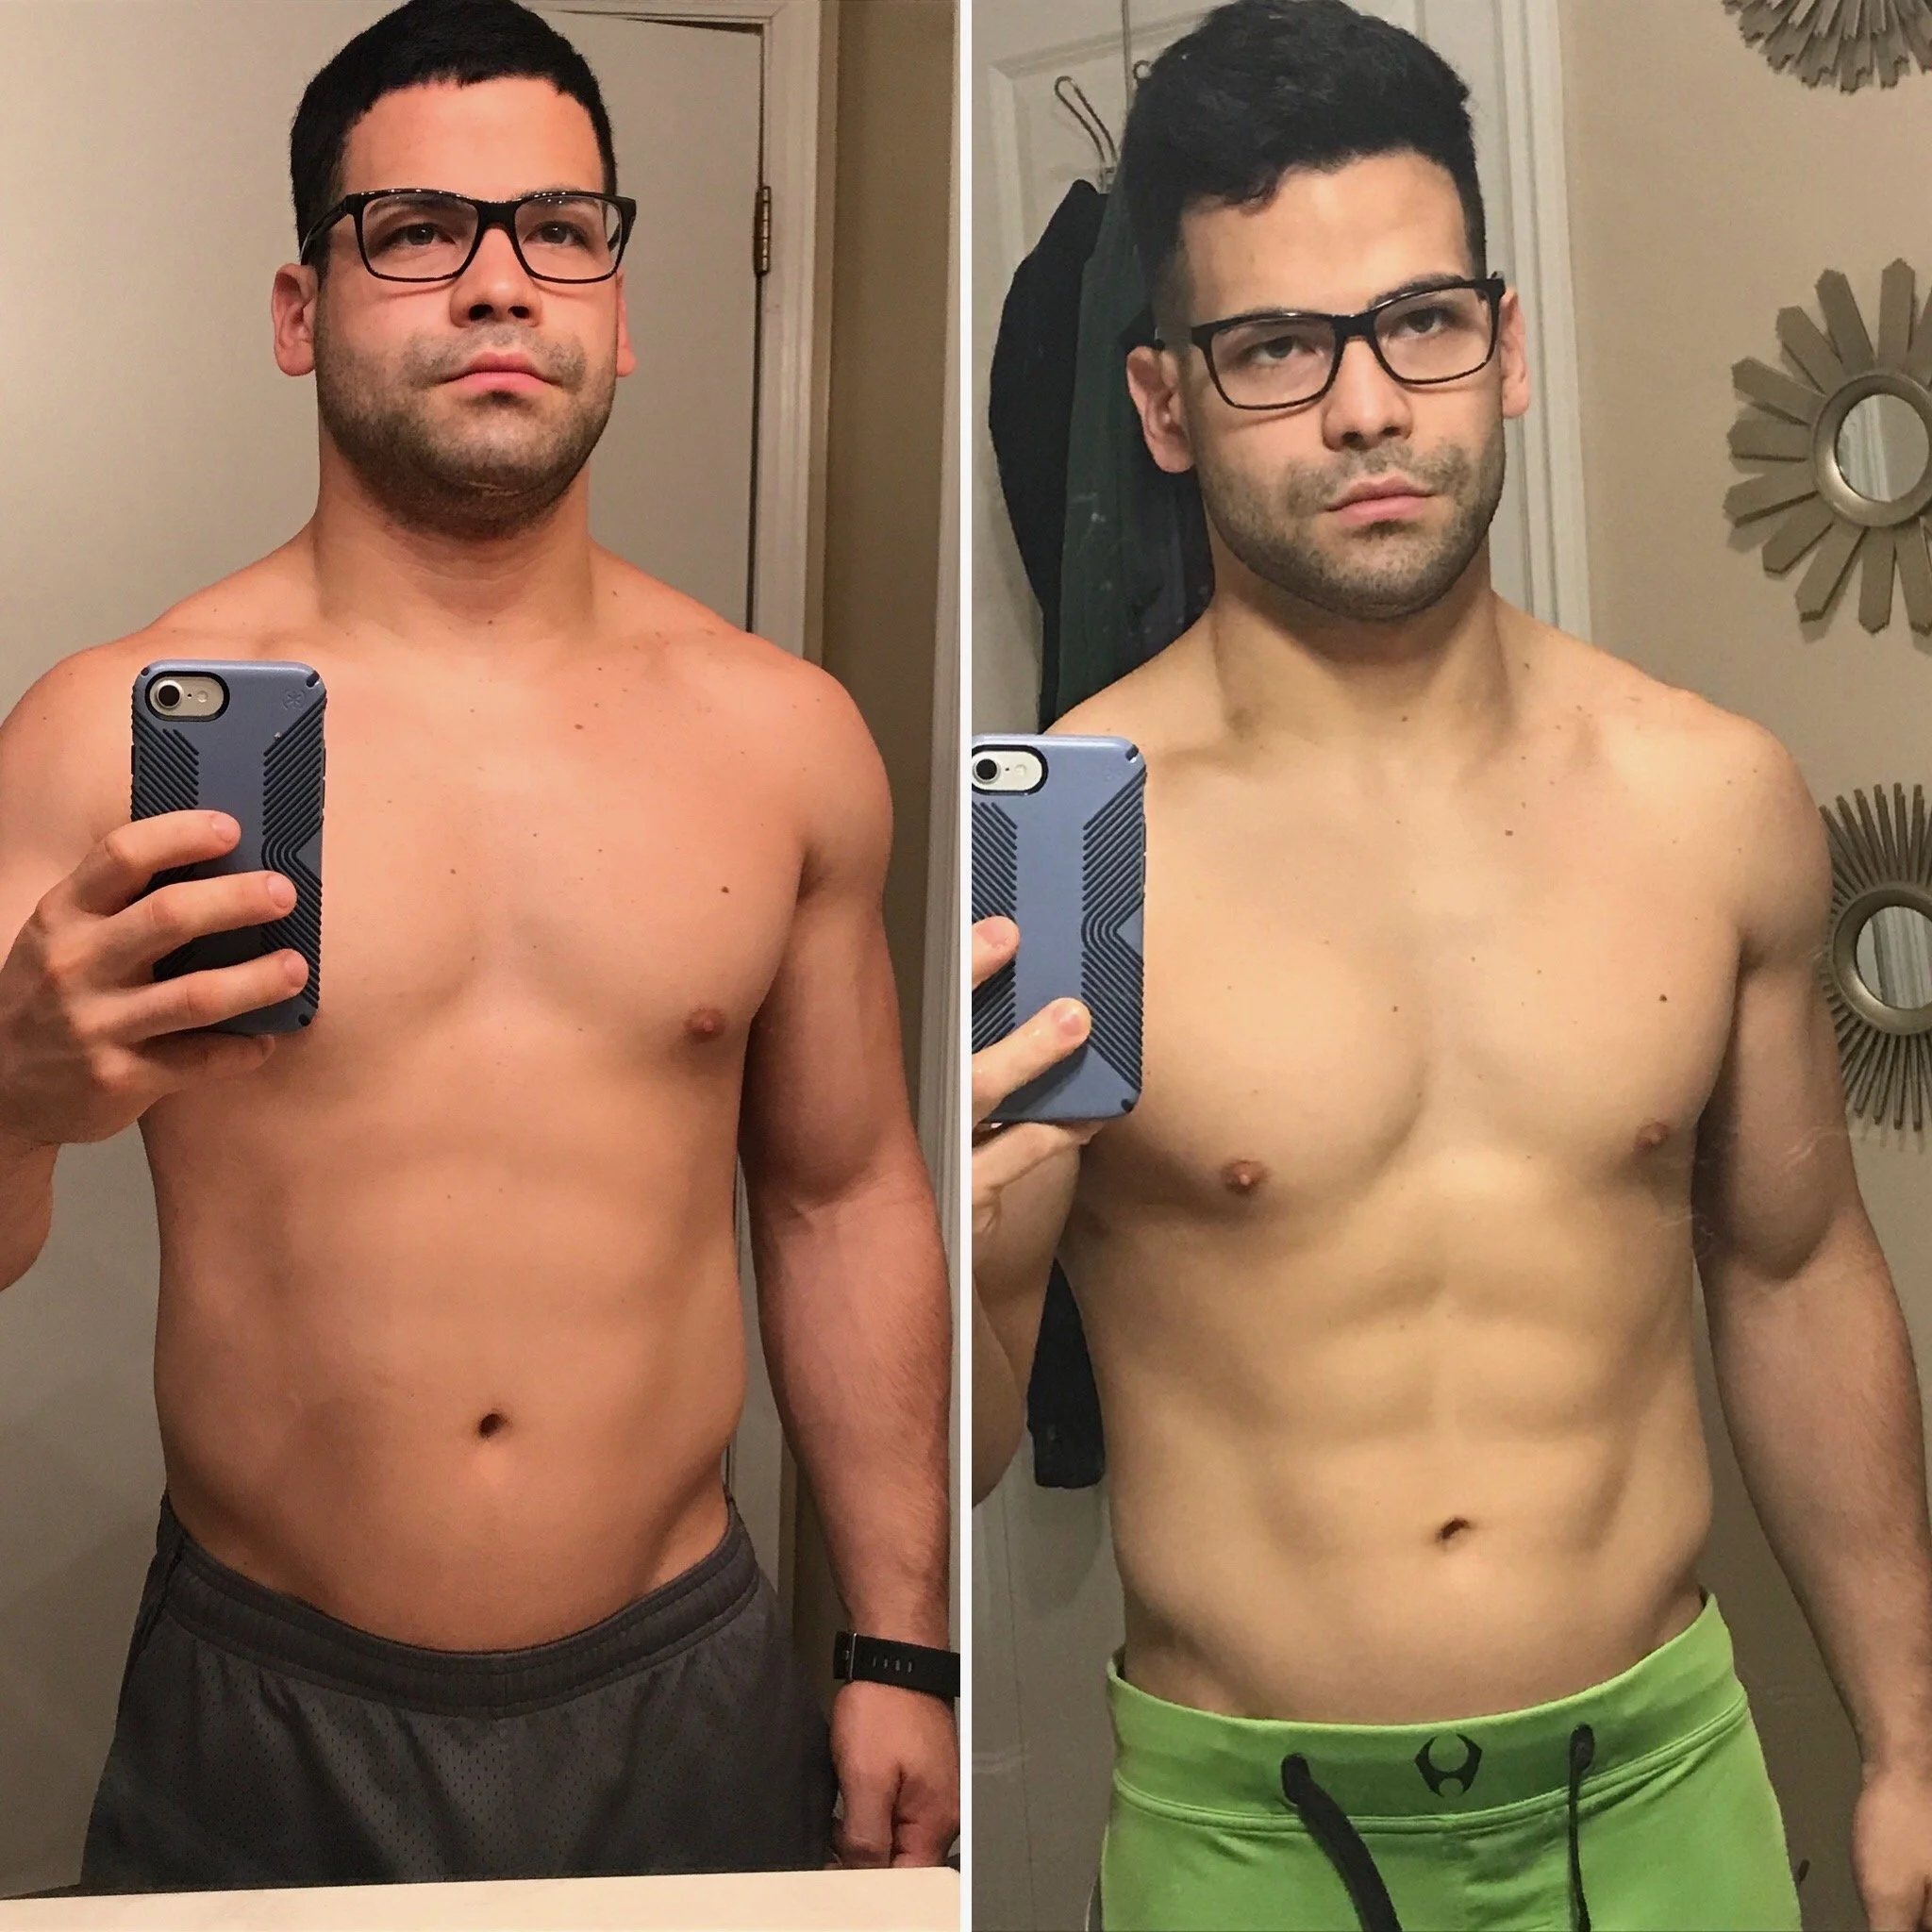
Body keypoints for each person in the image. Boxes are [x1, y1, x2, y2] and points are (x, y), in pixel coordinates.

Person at [971, 4, 1932, 1927]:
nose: (1362, 409)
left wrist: (1909, 1739)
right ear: (1164, 403)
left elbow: (1791, 1265)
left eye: (1417, 323)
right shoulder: (1074, 853)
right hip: (1248, 1840)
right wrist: (982, 1277)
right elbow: (948, 1449)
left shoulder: (1705, 798)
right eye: (1273, 348)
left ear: (1500, 344)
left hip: (1662, 1796)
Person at [0, 0, 956, 1892]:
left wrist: (902, 1644)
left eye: (561, 231)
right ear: (302, 309)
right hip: (264, 1694)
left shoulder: (784, 739)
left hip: (679, 1678)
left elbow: (843, 1197)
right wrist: (8, 1082)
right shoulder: (104, 734)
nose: (500, 286)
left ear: (621, 295)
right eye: (417, 232)